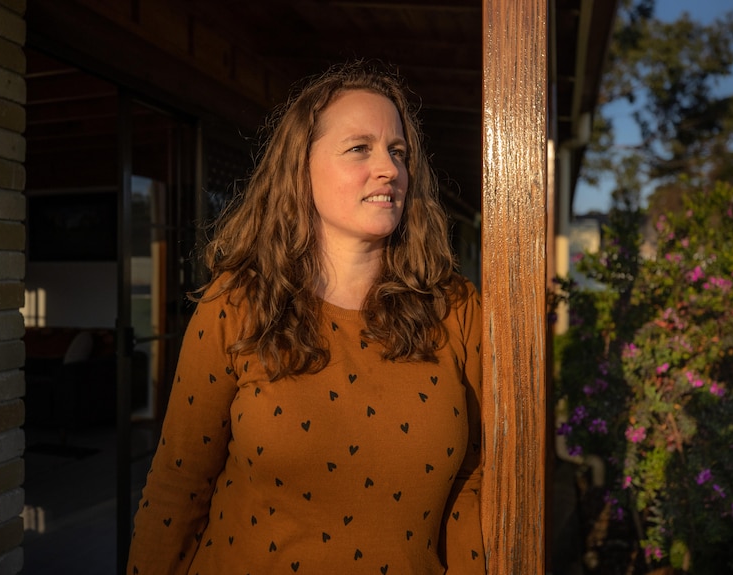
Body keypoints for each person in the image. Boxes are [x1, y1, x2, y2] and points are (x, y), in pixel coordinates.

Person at [127, 60, 485, 575]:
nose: (389, 168)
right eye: (360, 148)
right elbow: (178, 485)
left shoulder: (455, 310)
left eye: (398, 152)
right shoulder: (239, 303)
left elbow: (473, 483)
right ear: (302, 166)